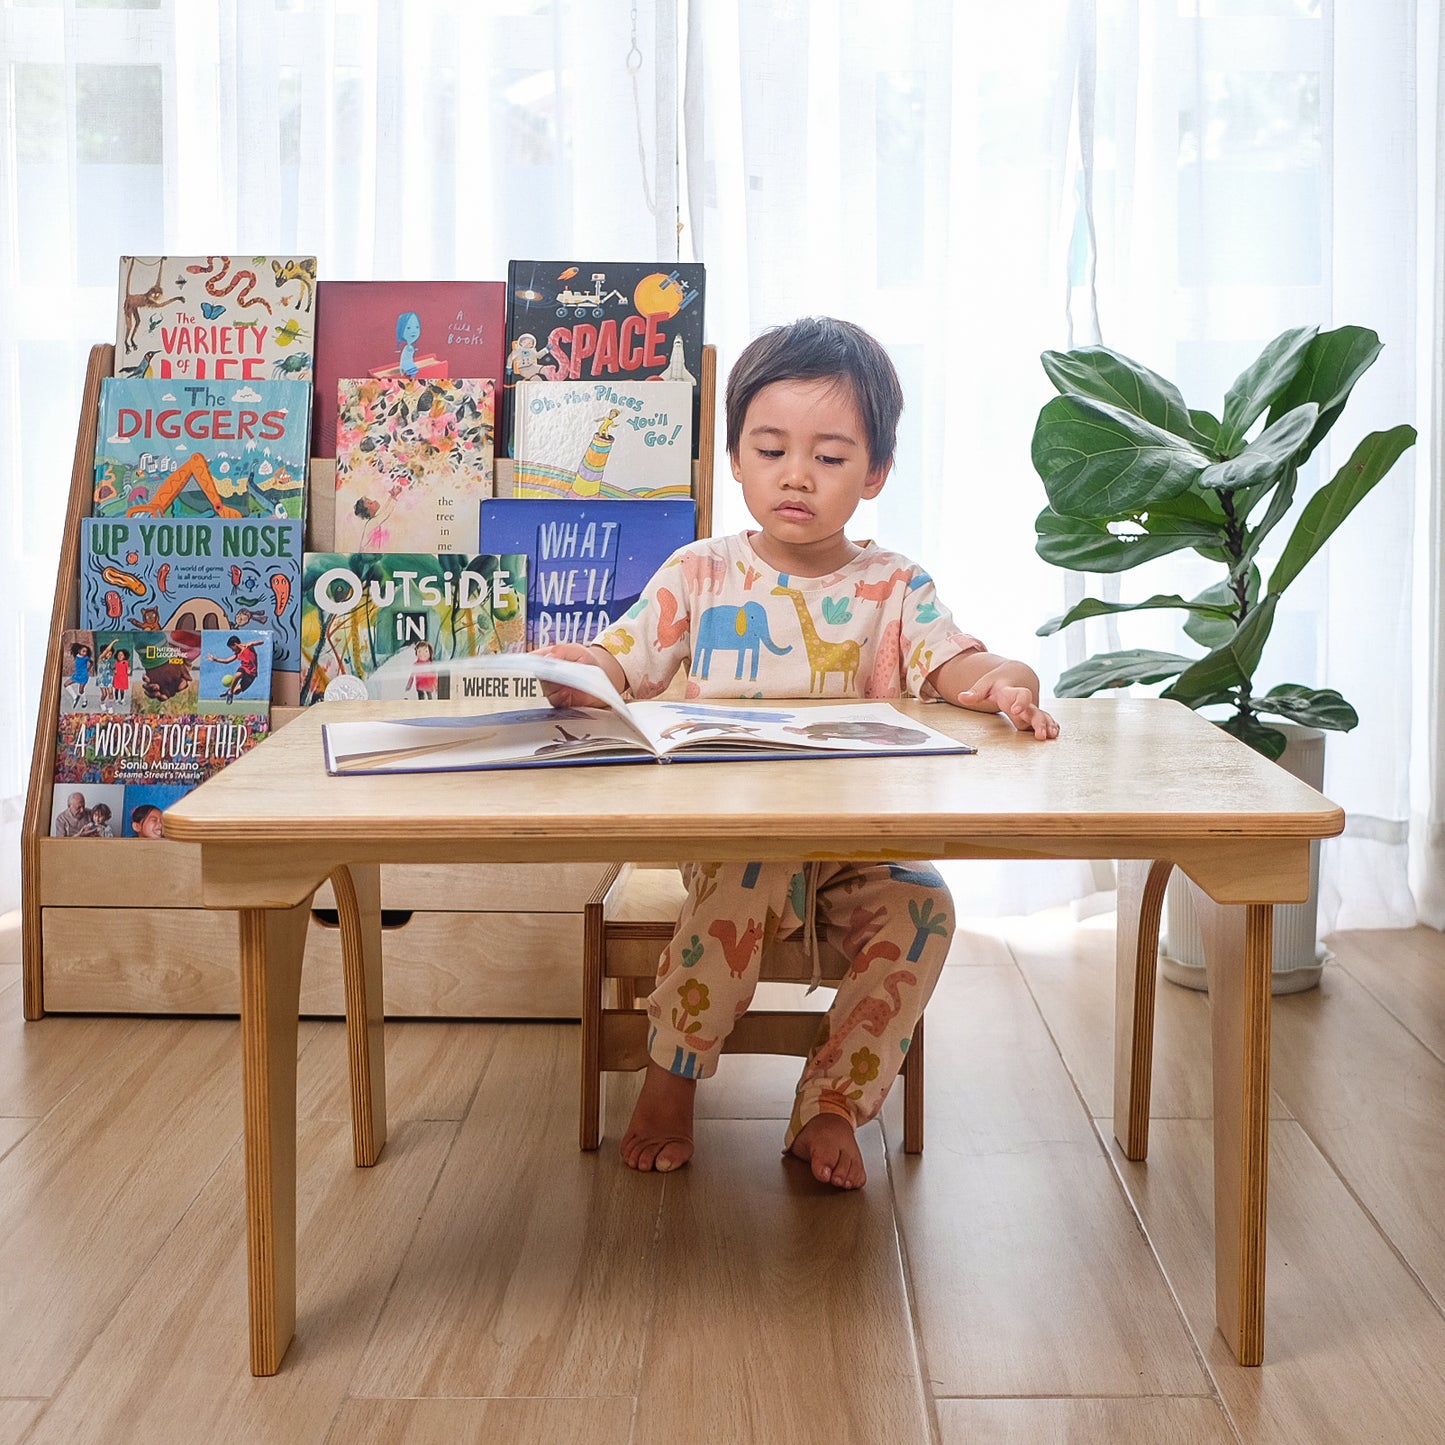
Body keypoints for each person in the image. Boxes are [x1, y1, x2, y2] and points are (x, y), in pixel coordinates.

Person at [539, 316, 1059, 1190]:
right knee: (748, 875)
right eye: (770, 448)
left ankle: (830, 1102)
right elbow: (623, 655)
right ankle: (671, 1074)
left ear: (875, 472)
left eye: (829, 456)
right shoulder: (699, 572)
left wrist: (1006, 678)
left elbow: (956, 662)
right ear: (735, 457)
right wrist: (577, 667)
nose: (795, 475)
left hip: (860, 844)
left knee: (924, 908)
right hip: (733, 839)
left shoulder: (894, 585)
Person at [206, 634, 265, 701]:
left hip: (252, 674)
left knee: (236, 692)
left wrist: (253, 643)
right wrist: (215, 659)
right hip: (244, 669)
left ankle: (230, 691)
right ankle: (230, 693)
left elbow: (261, 642)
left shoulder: (248, 647)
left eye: (232, 648)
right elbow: (227, 661)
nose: (232, 650)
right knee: (238, 674)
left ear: (235, 644)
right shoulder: (237, 653)